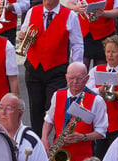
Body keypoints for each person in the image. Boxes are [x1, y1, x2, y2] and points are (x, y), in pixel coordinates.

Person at [42, 62, 108, 161]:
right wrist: (44, 139)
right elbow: (49, 119)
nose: (74, 82)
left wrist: (83, 137)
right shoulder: (57, 95)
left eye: (79, 78)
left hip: (82, 160)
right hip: (58, 156)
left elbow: (101, 132)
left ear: (87, 78)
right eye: (71, 78)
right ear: (66, 77)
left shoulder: (96, 100)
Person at [19, 0, 84, 136]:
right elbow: (24, 32)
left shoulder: (70, 15)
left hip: (56, 70)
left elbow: (77, 44)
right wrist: (22, 35)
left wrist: (76, 68)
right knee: (35, 109)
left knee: (55, 109)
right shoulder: (33, 11)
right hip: (34, 68)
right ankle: (37, 143)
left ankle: (56, 145)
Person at [66, 0, 118, 67]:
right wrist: (76, 8)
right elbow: (70, 3)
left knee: (101, 68)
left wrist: (104, 13)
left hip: (105, 34)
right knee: (81, 67)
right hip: (84, 33)